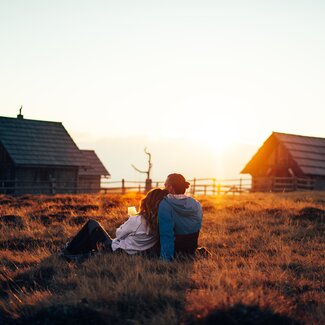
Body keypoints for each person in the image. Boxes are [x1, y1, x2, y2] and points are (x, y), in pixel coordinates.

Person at [61, 188, 168, 261]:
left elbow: (119, 234)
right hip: (133, 253)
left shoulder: (138, 220)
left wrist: (129, 220)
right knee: (94, 238)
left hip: (116, 251)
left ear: (147, 202)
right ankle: (74, 251)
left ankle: (69, 250)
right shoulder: (160, 223)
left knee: (92, 224)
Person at [158, 173, 203, 261]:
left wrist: (165, 259)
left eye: (165, 185)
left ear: (170, 188)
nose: (164, 187)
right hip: (191, 248)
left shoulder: (165, 204)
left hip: (175, 249)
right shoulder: (196, 204)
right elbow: (197, 226)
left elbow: (166, 234)